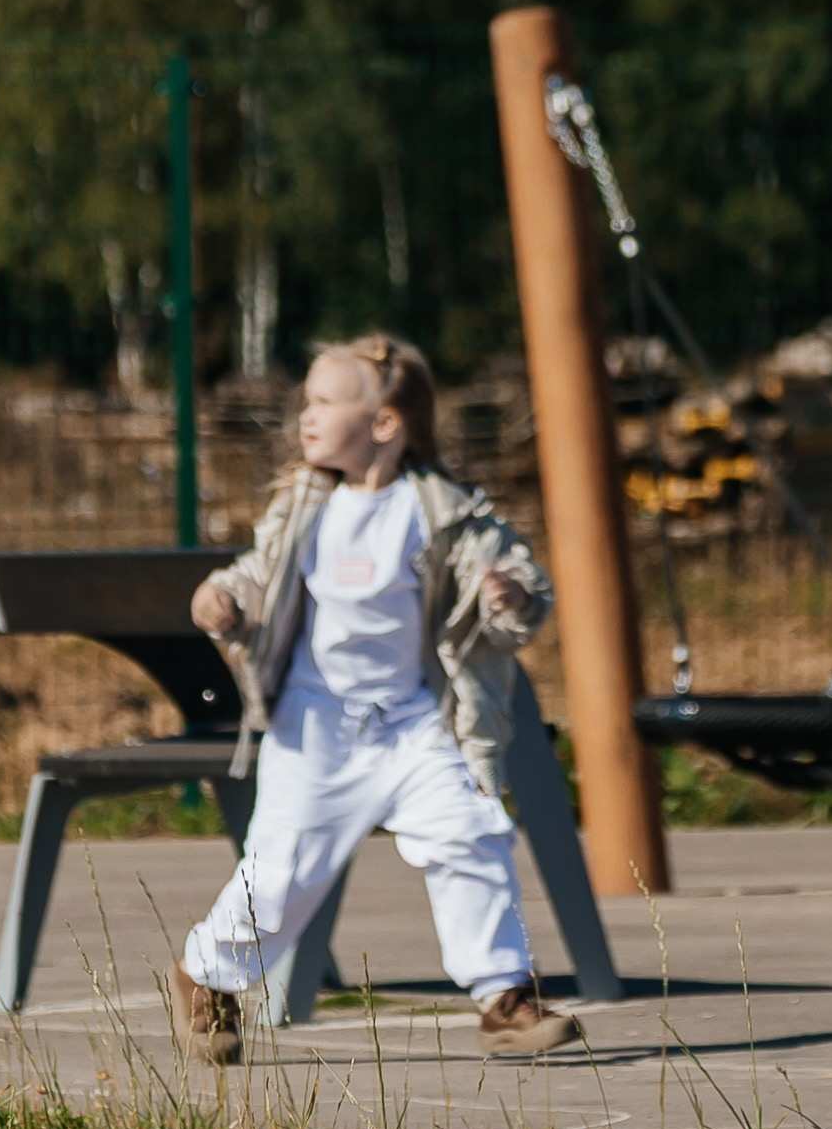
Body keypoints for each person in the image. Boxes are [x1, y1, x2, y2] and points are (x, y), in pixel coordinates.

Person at [167, 334, 581, 1065]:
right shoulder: (306, 507)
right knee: (283, 866)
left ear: (385, 423)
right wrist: (224, 598)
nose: (307, 415)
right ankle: (208, 977)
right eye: (308, 401)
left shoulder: (440, 509)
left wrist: (508, 593)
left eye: (326, 401)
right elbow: (259, 572)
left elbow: (516, 577)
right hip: (314, 727)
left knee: (470, 833)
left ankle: (503, 998)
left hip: (414, 724)